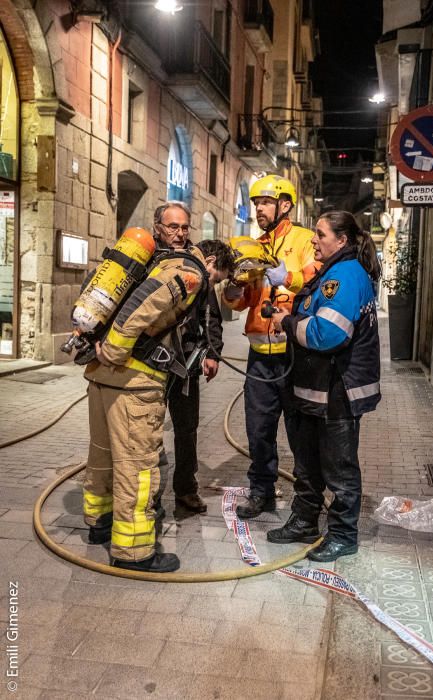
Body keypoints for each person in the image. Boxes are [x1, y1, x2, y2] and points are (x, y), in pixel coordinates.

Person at [82, 239, 235, 573]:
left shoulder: (162, 262)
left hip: (103, 378)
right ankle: (133, 551)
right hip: (134, 381)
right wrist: (116, 350)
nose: (214, 284)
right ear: (209, 260)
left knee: (102, 456)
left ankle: (100, 524)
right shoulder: (190, 273)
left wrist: (107, 356)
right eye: (218, 277)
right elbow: (144, 306)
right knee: (137, 468)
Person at [266, 211, 381, 562]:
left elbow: (327, 334)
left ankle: (344, 535)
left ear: (341, 241)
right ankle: (304, 521)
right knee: (308, 462)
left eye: (320, 234)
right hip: (316, 390)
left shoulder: (344, 275)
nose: (313, 240)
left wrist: (286, 321)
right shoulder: (332, 272)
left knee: (339, 469)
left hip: (337, 392)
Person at [223, 174, 320, 519]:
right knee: (258, 430)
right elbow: (243, 300)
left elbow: (317, 282)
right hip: (259, 358)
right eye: (255, 204)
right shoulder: (254, 245)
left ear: (285, 204)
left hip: (296, 354)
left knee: (300, 432)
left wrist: (287, 278)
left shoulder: (306, 241)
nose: (259, 209)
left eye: (264, 202)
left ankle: (307, 500)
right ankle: (261, 490)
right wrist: (233, 290)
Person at [152, 202, 224, 513]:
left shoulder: (194, 260)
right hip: (149, 361)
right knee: (147, 432)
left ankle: (186, 489)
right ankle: (149, 494)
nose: (179, 233)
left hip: (186, 361)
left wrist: (212, 352)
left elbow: (211, 314)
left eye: (184, 227)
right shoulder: (144, 259)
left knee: (187, 428)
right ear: (158, 227)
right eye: (172, 227)